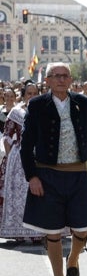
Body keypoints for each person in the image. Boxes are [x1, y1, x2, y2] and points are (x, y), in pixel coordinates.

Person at [20, 63, 87, 276]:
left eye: (65, 76)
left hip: (77, 174)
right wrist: (32, 176)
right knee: (53, 231)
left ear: (71, 79)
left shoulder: (82, 102)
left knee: (82, 228)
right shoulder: (37, 105)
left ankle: (74, 258)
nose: (60, 79)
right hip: (48, 175)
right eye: (55, 76)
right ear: (47, 80)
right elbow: (26, 146)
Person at [0, 83, 43, 241]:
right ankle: (19, 230)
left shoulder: (45, 109)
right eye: (29, 93)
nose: (32, 96)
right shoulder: (16, 112)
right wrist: (11, 158)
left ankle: (40, 232)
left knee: (40, 194)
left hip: (41, 156)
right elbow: (7, 135)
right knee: (20, 196)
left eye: (35, 93)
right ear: (23, 96)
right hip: (20, 158)